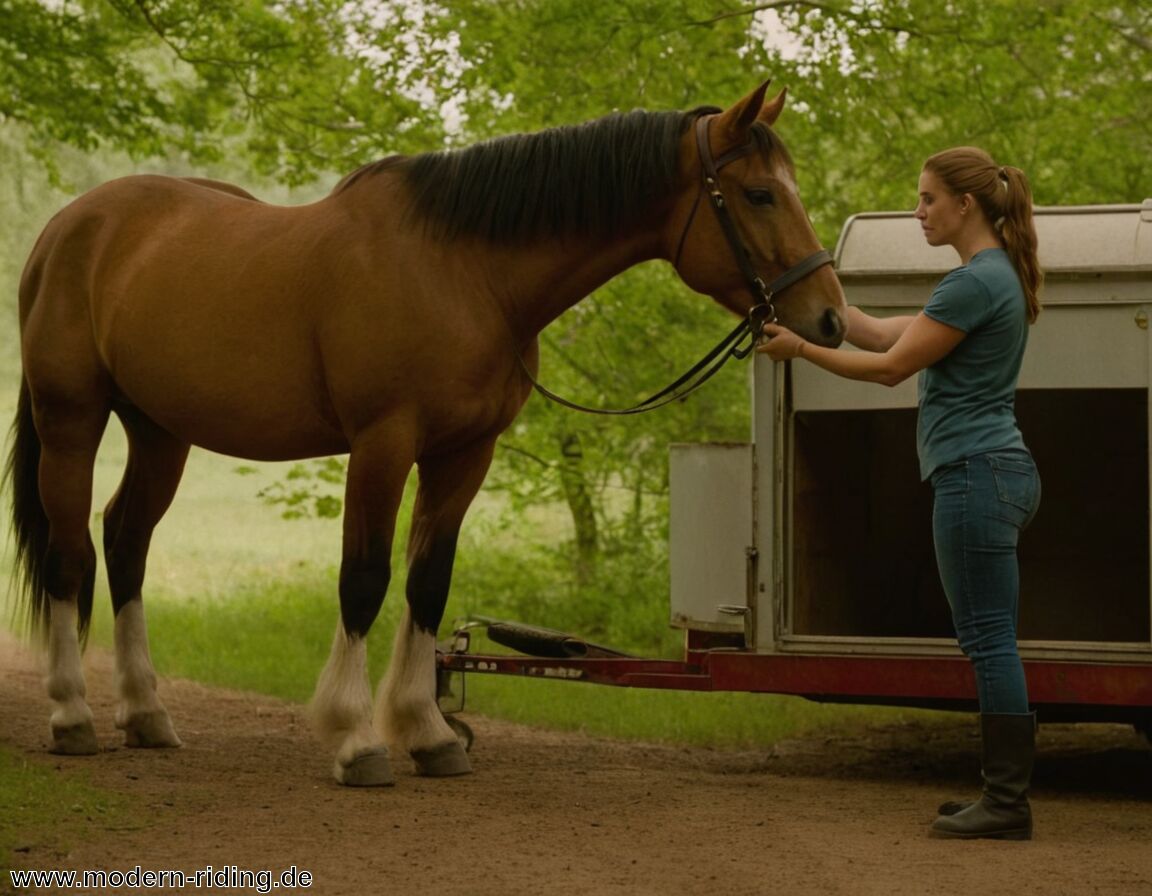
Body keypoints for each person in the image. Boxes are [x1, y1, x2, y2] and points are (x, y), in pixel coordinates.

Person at [758, 146, 1043, 840]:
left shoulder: (974, 282)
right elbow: (891, 334)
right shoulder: (989, 277)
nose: (918, 212)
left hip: (976, 473)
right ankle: (1002, 796)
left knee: (988, 640)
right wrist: (826, 312)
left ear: (964, 205)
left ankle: (1006, 803)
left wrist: (803, 353)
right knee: (991, 637)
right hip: (996, 469)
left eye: (926, 199)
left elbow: (889, 369)